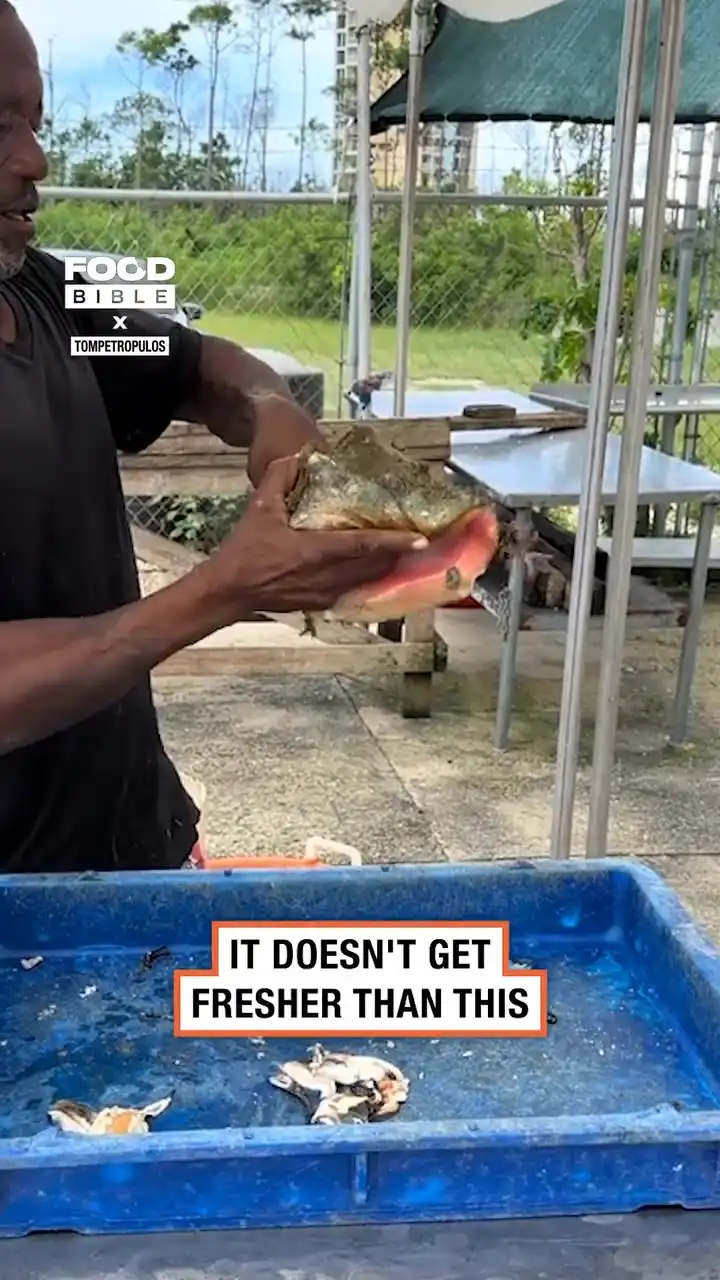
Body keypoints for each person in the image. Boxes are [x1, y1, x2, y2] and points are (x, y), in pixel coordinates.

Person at [0, 0, 426, 874]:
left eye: (36, 122)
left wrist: (273, 413)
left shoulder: (47, 296)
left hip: (138, 846)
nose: (35, 160)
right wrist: (225, 588)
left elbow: (204, 366)